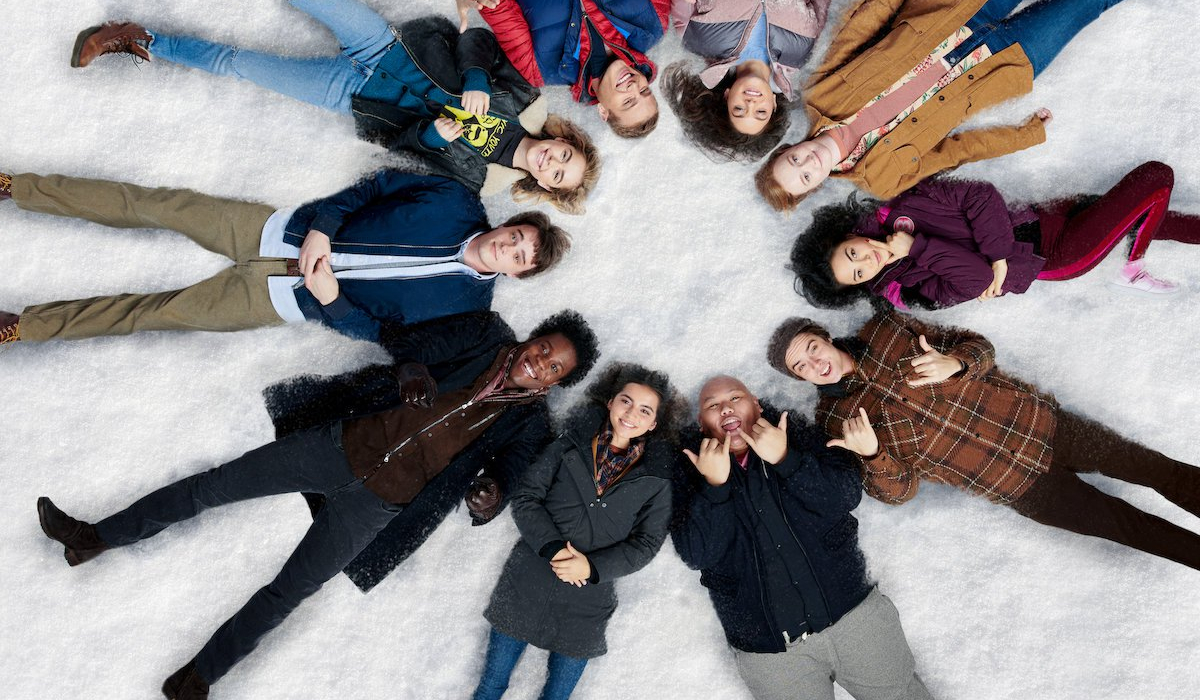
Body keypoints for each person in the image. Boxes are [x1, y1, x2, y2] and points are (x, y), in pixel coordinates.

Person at [36, 309, 601, 700]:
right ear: (532, 337)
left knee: (290, 591)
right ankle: (94, 538)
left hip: (381, 506)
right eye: (543, 349)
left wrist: (489, 498)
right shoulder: (483, 334)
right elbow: (413, 345)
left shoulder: (530, 421)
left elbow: (507, 474)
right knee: (209, 488)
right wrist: (411, 375)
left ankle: (199, 678)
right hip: (338, 446)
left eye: (554, 368)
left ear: (555, 384)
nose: (540, 364)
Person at [768, 313, 1200, 572]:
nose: (815, 363)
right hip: (1020, 487)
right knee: (1131, 528)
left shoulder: (886, 330)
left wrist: (955, 362)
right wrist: (873, 455)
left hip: (1045, 426)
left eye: (811, 347)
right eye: (800, 366)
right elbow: (898, 492)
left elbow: (979, 346)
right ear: (799, 378)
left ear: (824, 336)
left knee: (1159, 469)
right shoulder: (834, 423)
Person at [70, 5, 601, 213]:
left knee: (237, 65)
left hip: (354, 96)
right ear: (563, 139)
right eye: (563, 156)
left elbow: (406, 148)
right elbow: (476, 40)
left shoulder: (478, 181)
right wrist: (478, 79)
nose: (551, 163)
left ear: (548, 189)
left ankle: (140, 40)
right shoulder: (527, 101)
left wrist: (436, 136)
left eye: (557, 176)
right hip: (389, 48)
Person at [0, 168, 569, 345]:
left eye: (521, 259)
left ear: (518, 275)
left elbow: (388, 338)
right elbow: (374, 187)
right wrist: (322, 227)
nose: (512, 248)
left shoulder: (464, 310)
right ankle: (19, 189)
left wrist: (334, 304)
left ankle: (24, 328)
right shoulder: (453, 199)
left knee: (150, 313)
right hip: (275, 233)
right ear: (512, 223)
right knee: (152, 206)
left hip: (277, 300)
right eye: (518, 237)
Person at [671, 375, 933, 700]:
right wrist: (714, 486)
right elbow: (696, 552)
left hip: (855, 618)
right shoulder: (686, 468)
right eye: (712, 405)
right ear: (702, 422)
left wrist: (786, 459)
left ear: (755, 404)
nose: (725, 408)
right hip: (771, 654)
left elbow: (845, 495)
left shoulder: (795, 432)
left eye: (735, 397)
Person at [756, 0, 1131, 209]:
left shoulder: (821, 93)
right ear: (817, 185)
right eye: (806, 177)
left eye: (795, 160)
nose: (809, 163)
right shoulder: (882, 179)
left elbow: (859, 30)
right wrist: (1024, 136)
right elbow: (956, 151)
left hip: (953, 11)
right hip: (1000, 64)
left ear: (792, 147)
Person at [472, 362, 680, 700]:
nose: (632, 414)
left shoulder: (656, 481)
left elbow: (647, 544)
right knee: (491, 686)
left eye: (645, 410)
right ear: (611, 402)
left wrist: (592, 567)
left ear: (653, 424)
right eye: (626, 401)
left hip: (587, 604)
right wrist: (553, 548)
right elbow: (526, 498)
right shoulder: (568, 445)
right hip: (528, 580)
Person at [790, 161, 1200, 310]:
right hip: (1057, 255)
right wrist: (917, 248)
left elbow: (980, 196)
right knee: (1155, 180)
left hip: (1043, 215)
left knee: (1152, 218)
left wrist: (997, 255)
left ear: (849, 236)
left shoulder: (902, 206)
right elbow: (979, 281)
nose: (867, 261)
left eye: (852, 253)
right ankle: (1133, 266)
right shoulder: (910, 289)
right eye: (858, 274)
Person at [473, 0, 670, 138]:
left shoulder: (539, 68)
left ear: (603, 111)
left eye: (628, 101)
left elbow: (496, 7)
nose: (635, 86)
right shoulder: (653, 23)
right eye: (645, 90)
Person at [663, 0, 831, 162]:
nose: (751, 103)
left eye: (739, 109)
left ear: (727, 96)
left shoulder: (698, 39)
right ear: (773, 104)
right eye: (761, 112)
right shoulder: (799, 53)